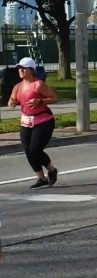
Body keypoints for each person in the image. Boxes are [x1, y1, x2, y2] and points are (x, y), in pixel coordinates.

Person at [7, 57, 59, 189]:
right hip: (26, 121)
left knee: (35, 149)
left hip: (43, 120)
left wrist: (40, 102)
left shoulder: (38, 85)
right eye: (19, 68)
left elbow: (54, 98)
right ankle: (41, 178)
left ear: (31, 70)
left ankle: (51, 170)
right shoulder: (17, 87)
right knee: (28, 151)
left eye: (23, 68)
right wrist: (12, 103)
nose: (21, 71)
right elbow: (11, 101)